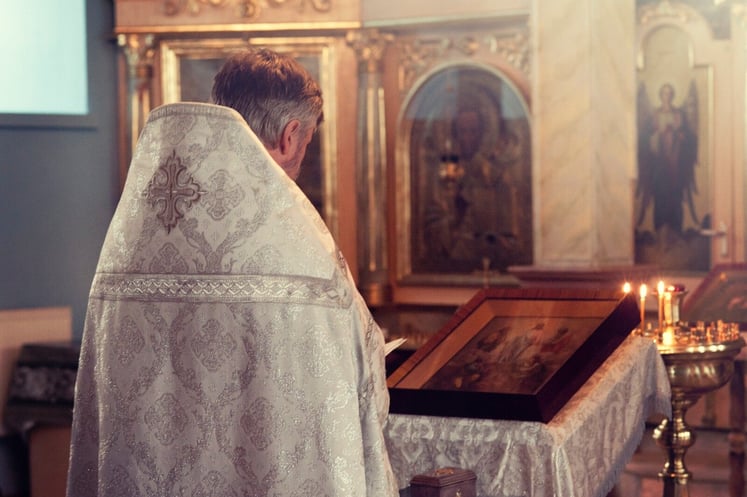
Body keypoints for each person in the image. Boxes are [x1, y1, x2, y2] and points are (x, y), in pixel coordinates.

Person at [66, 48, 398, 497]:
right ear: (290, 134)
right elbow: (357, 382)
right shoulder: (302, 248)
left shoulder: (133, 233)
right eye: (308, 142)